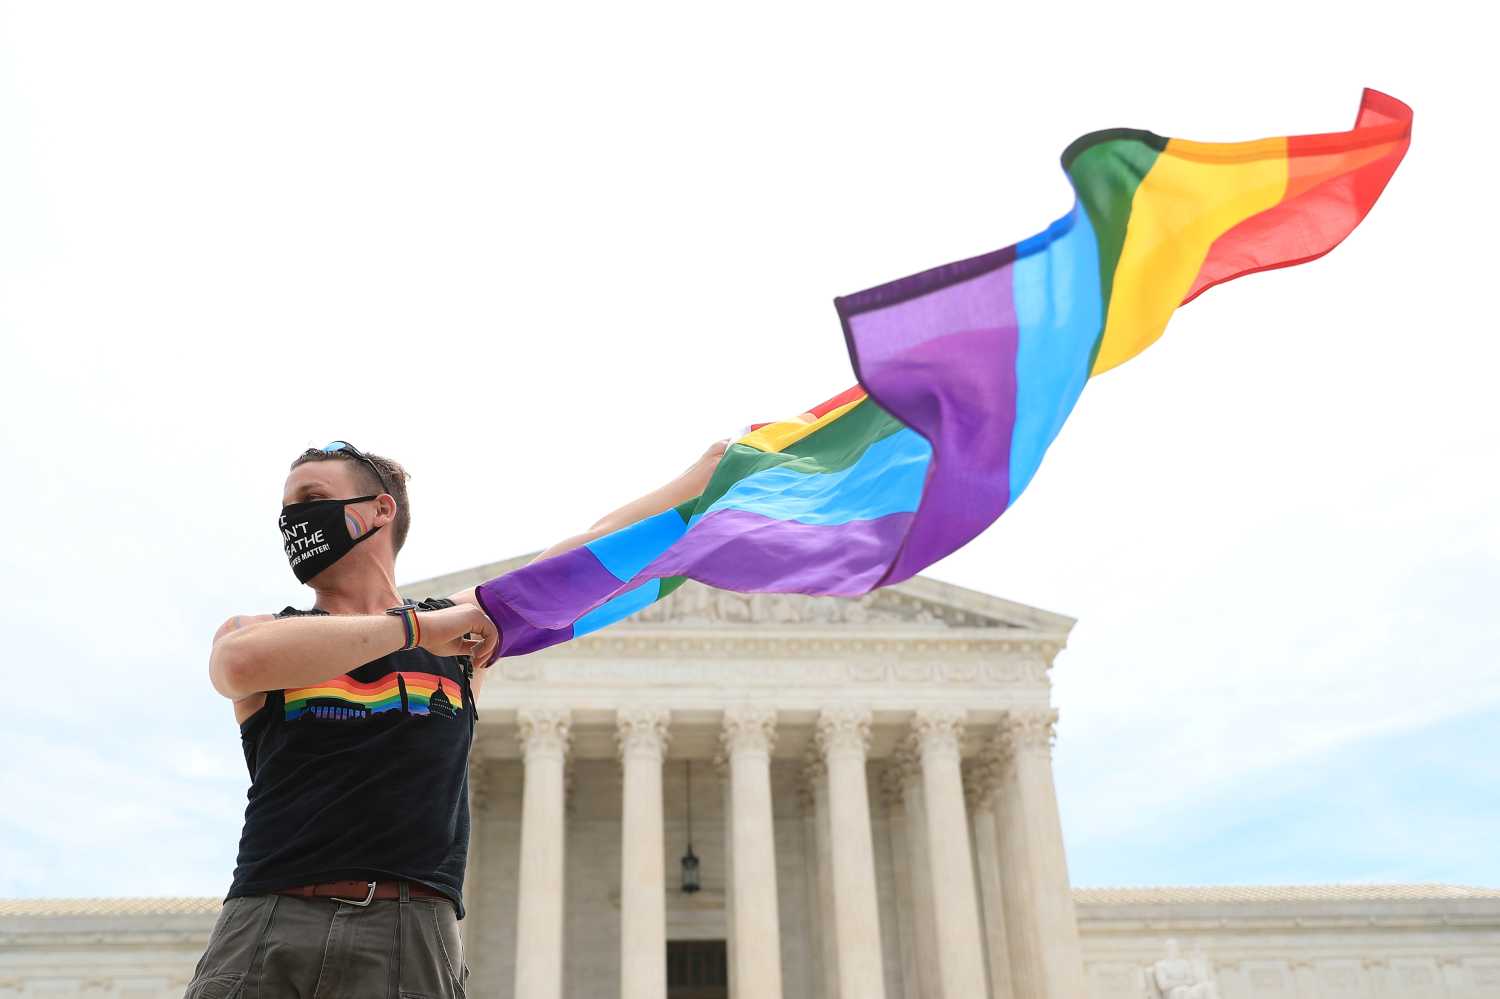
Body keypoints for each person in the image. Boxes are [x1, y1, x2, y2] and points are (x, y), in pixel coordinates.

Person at [184, 438, 726, 998]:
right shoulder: (262, 631)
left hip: (409, 929)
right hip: (273, 915)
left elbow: (584, 554)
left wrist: (699, 479)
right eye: (288, 508)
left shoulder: (462, 638)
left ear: (379, 510)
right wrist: (418, 629)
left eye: (311, 498)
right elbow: (236, 663)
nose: (293, 519)